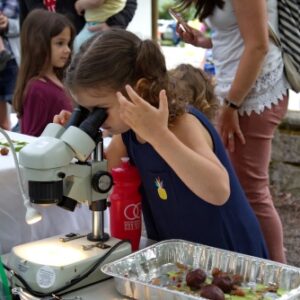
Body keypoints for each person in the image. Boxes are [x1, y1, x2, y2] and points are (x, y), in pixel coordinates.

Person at [55, 29, 269, 259]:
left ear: (139, 90)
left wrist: (159, 136)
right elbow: (93, 186)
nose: (96, 118)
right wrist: (73, 145)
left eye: (100, 110)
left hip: (228, 253)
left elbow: (219, 190)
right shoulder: (127, 136)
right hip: (181, 259)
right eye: (87, 111)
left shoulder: (182, 124)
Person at [176, 0, 289, 263]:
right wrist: (203, 41)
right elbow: (240, 34)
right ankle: (254, 262)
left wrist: (231, 105)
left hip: (253, 95)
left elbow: (259, 46)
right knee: (242, 187)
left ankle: (280, 277)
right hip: (238, 93)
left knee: (251, 190)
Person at [12, 9, 75, 136]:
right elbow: (31, 139)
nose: (67, 50)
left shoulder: (58, 79)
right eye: (60, 43)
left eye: (68, 43)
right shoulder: (37, 89)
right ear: (38, 44)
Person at [18, 0, 137, 34]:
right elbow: (25, 23)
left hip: (85, 49)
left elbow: (130, 2)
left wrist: (112, 24)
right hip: (43, 59)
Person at [0, 0, 19, 130]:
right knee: (2, 122)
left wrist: (7, 24)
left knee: (22, 112)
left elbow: (24, 26)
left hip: (10, 63)